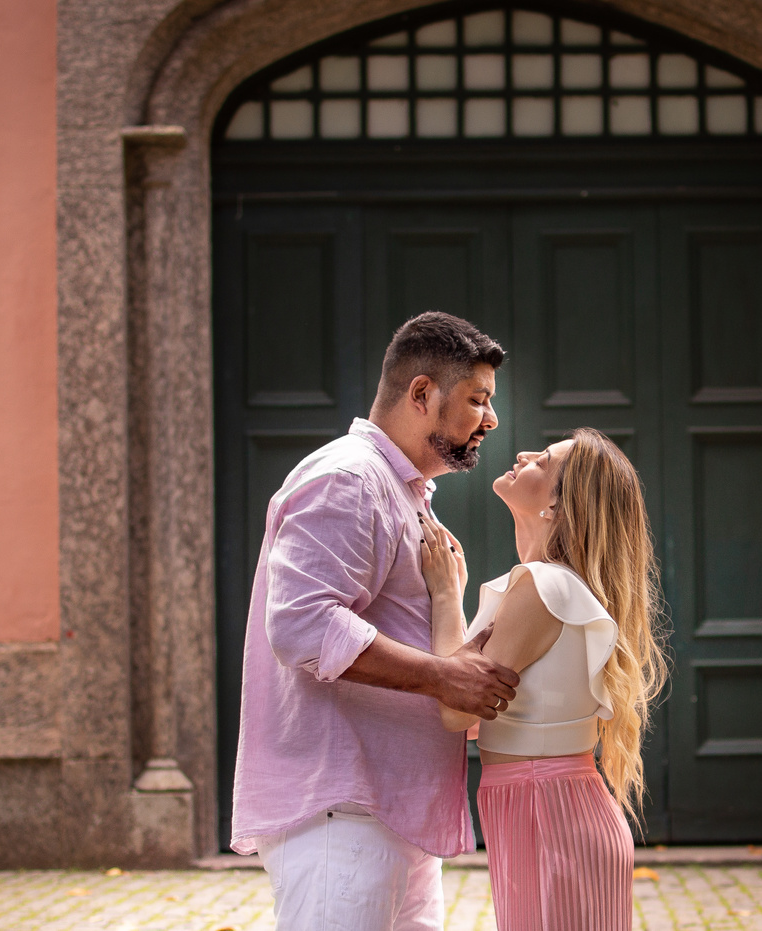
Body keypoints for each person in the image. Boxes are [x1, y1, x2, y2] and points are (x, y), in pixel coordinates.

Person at [231, 311, 520, 931]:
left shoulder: (400, 490)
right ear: (422, 394)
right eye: (477, 400)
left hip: (388, 812)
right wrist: (443, 678)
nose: (490, 420)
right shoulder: (349, 480)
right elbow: (303, 626)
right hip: (344, 812)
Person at [420, 428, 670, 931]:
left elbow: (456, 710)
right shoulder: (549, 585)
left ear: (557, 505)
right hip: (546, 809)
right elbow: (480, 720)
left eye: (544, 460)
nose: (524, 454)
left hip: (547, 813)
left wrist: (447, 597)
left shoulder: (543, 586)